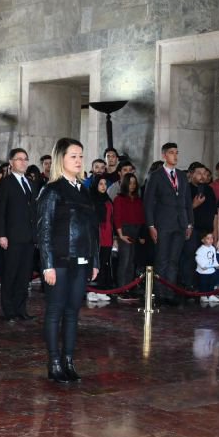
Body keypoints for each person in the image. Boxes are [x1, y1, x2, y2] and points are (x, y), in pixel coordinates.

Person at [37, 137, 98, 384]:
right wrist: (47, 264)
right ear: (61, 158)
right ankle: (54, 362)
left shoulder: (84, 190)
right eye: (73, 156)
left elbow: (91, 228)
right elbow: (44, 230)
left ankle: (69, 360)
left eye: (81, 156)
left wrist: (94, 259)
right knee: (55, 311)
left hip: (82, 259)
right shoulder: (52, 190)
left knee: (73, 312)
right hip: (59, 260)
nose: (78, 160)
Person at [143, 142, 194, 305]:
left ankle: (170, 293)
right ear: (164, 155)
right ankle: (159, 293)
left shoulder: (182, 175)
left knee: (174, 260)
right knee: (162, 260)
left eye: (177, 152)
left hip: (180, 223)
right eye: (172, 153)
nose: (175, 156)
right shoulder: (156, 175)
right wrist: (151, 225)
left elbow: (187, 201)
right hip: (163, 223)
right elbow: (148, 202)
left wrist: (189, 223)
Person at [0, 148, 38, 322]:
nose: (23, 162)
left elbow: (34, 211)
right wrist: (1, 234)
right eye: (19, 159)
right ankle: (9, 310)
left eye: (25, 159)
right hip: (12, 236)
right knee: (10, 274)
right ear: (11, 162)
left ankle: (21, 309)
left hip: (28, 237)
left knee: (24, 276)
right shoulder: (5, 183)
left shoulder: (31, 183)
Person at [113, 172, 145, 301]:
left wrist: (141, 234)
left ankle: (128, 288)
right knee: (124, 261)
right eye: (130, 183)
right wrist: (120, 235)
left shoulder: (138, 199)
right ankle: (121, 289)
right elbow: (117, 218)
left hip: (136, 230)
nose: (132, 185)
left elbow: (142, 217)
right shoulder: (119, 199)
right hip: (125, 230)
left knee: (132, 262)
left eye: (134, 183)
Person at [88, 175, 114, 303]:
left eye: (105, 184)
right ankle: (92, 290)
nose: (103, 186)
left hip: (107, 234)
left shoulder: (108, 200)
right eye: (100, 184)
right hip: (96, 234)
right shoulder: (91, 200)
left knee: (104, 262)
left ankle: (102, 289)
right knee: (95, 262)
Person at [195, 233, 219, 304]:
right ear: (203, 240)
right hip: (203, 271)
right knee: (203, 283)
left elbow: (214, 259)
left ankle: (211, 295)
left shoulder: (212, 248)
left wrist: (217, 265)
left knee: (212, 283)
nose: (211, 240)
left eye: (212, 238)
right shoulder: (201, 249)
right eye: (208, 238)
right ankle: (203, 296)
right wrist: (202, 266)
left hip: (211, 270)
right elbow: (197, 258)